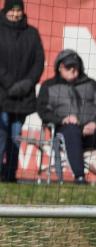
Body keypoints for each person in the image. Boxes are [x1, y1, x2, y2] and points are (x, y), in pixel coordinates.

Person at [37, 50, 96, 184]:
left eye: (76, 66)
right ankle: (79, 177)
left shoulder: (90, 84)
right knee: (71, 129)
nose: (73, 70)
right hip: (64, 133)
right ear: (60, 67)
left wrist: (95, 122)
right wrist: (62, 120)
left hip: (91, 132)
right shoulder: (49, 86)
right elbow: (42, 110)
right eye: (69, 67)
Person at [0, 0, 44, 182]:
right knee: (1, 134)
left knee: (15, 136)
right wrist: (9, 83)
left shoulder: (32, 33)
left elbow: (38, 62)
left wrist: (26, 84)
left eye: (18, 10)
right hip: (2, 94)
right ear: (5, 10)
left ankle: (10, 175)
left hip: (22, 97)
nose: (15, 14)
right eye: (12, 10)